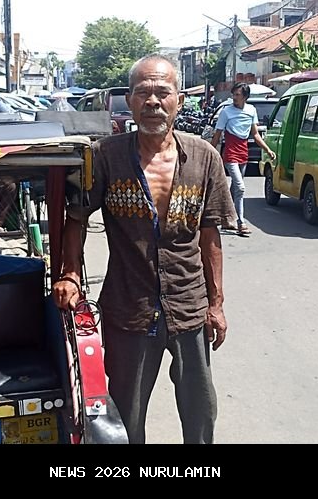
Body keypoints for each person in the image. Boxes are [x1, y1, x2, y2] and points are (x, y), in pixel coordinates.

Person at [52, 54, 236, 444]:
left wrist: (216, 304)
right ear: (130, 101)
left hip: (189, 304)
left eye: (162, 92)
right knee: (126, 415)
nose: (153, 102)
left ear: (179, 101)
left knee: (200, 409)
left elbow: (210, 235)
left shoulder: (204, 157)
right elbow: (77, 217)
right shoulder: (105, 156)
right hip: (129, 306)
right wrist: (70, 274)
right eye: (142, 93)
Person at [211, 83, 276, 236]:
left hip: (243, 154)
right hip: (230, 154)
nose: (234, 97)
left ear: (245, 97)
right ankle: (241, 222)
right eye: (233, 94)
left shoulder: (251, 110)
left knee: (235, 188)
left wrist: (267, 150)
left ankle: (226, 218)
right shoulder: (226, 112)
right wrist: (210, 154)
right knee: (240, 187)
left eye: (237, 95)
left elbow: (255, 134)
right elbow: (217, 135)